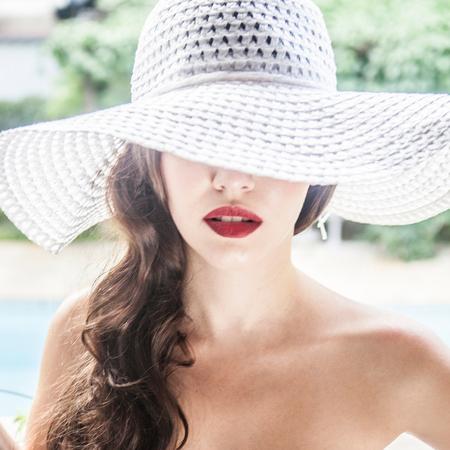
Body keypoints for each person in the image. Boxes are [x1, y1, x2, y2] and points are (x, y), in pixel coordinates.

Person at [0, 0, 449, 449]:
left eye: (270, 135)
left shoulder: (395, 360)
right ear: (153, 163)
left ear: (316, 161)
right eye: (197, 136)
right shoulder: (89, 332)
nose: (233, 179)